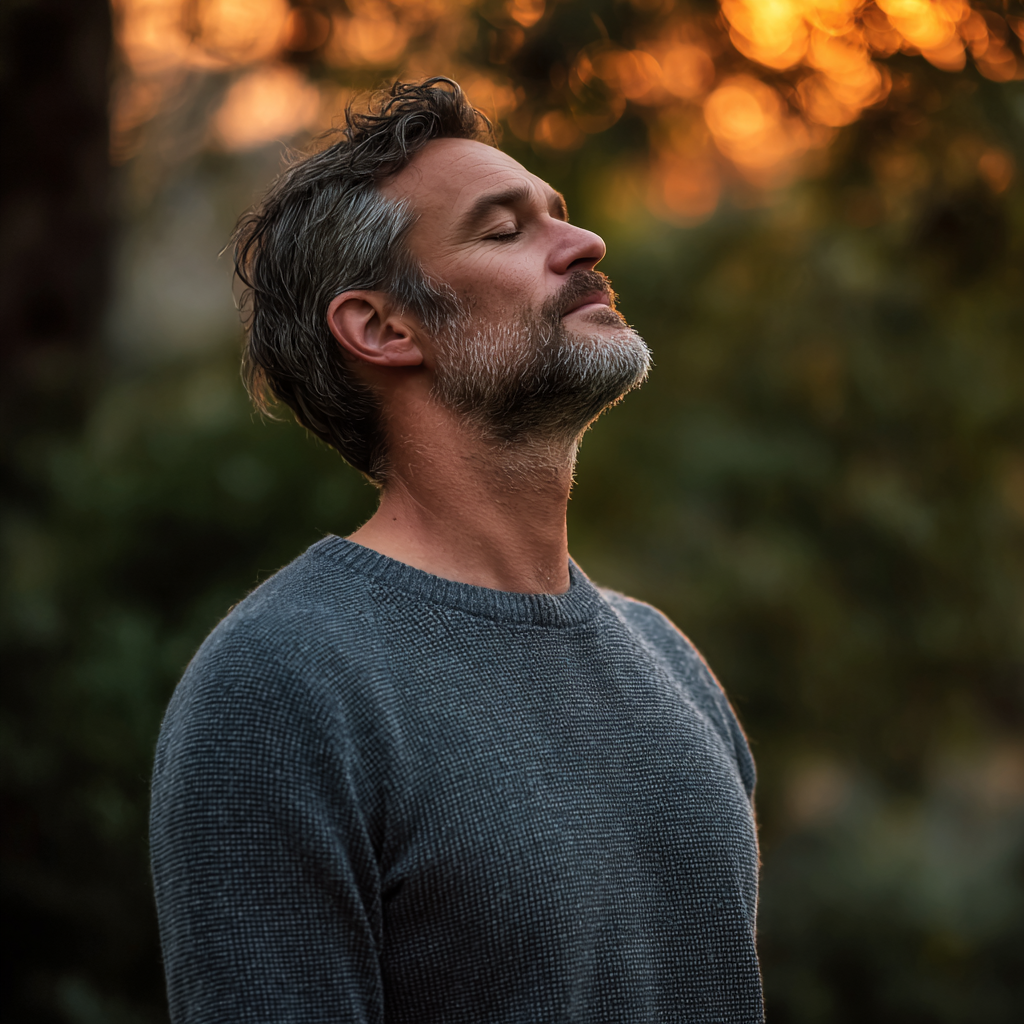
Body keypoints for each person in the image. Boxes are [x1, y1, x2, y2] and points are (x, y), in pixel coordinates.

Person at [149, 78, 763, 1024]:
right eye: (505, 230)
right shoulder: (282, 683)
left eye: (560, 214)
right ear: (383, 328)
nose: (586, 243)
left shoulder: (670, 665)